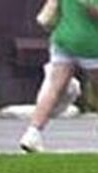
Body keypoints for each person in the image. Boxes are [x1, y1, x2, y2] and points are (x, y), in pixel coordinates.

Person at [20, 0, 98, 153]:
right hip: (91, 43)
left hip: (63, 39)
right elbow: (93, 11)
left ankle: (32, 134)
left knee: (54, 88)